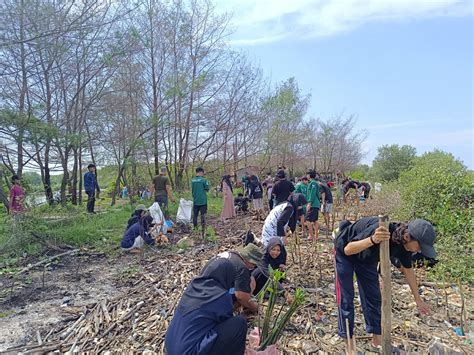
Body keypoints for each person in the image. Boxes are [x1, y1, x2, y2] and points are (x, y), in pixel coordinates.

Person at [334, 217, 436, 348]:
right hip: (345, 253)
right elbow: (348, 249)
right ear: (408, 236)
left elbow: (408, 272)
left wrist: (418, 299)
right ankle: (349, 344)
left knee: (374, 298)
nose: (419, 251)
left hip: (367, 259)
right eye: (419, 246)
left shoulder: (404, 247)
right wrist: (372, 240)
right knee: (346, 298)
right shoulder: (381, 229)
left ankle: (378, 340)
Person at [165, 259, 247, 355]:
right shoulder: (221, 295)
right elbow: (227, 321)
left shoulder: (193, 287)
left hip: (171, 348)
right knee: (239, 323)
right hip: (190, 352)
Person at [218, 243, 263, 312]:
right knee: (250, 283)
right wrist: (255, 307)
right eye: (253, 264)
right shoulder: (241, 267)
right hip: (217, 298)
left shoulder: (230, 254)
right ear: (247, 259)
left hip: (204, 290)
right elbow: (241, 296)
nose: (253, 267)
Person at [192, 167, 209, 236]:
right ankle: (203, 231)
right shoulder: (204, 180)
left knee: (195, 216)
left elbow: (193, 190)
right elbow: (207, 188)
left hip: (195, 201)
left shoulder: (192, 180)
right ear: (201, 172)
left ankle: (195, 229)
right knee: (203, 215)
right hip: (203, 201)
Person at [306, 170, 320, 241]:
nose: (306, 176)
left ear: (309, 175)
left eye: (307, 174)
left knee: (308, 220)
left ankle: (312, 236)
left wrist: (310, 202)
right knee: (315, 220)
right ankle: (316, 236)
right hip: (316, 204)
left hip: (313, 204)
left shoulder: (313, 183)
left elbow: (313, 193)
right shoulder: (313, 183)